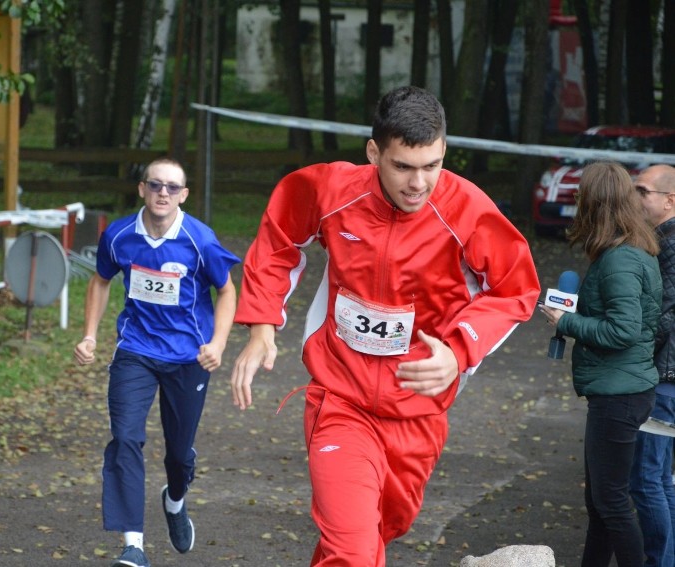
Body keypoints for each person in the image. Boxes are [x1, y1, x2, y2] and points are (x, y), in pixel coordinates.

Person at [230, 85, 541, 566]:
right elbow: (278, 237)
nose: (418, 183)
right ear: (374, 153)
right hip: (340, 400)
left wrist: (458, 351)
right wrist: (261, 327)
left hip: (418, 415)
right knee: (353, 549)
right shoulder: (334, 190)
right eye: (403, 167)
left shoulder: (468, 210)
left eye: (431, 166)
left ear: (444, 152)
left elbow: (515, 289)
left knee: (375, 533)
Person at [74, 158, 240, 567]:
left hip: (189, 357)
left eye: (171, 187)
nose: (162, 192)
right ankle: (134, 545)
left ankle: (176, 498)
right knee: (125, 439)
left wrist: (218, 343)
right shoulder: (119, 236)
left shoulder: (199, 240)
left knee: (179, 454)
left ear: (183, 194)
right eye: (155, 185)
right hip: (136, 351)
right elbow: (100, 280)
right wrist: (90, 335)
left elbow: (227, 291)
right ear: (142, 190)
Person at [540, 161, 662, 567]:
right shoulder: (631, 250)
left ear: (596, 204)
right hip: (620, 390)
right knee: (600, 503)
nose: (577, 206)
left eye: (581, 199)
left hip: (620, 395)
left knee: (610, 503)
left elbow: (623, 330)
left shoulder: (621, 259)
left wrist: (567, 321)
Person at [630, 164, 675, 567]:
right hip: (665, 376)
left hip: (664, 379)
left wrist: (630, 340)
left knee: (645, 480)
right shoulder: (662, 240)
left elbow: (664, 315)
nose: (634, 197)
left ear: (669, 201)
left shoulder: (672, 244)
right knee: (660, 478)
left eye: (642, 191)